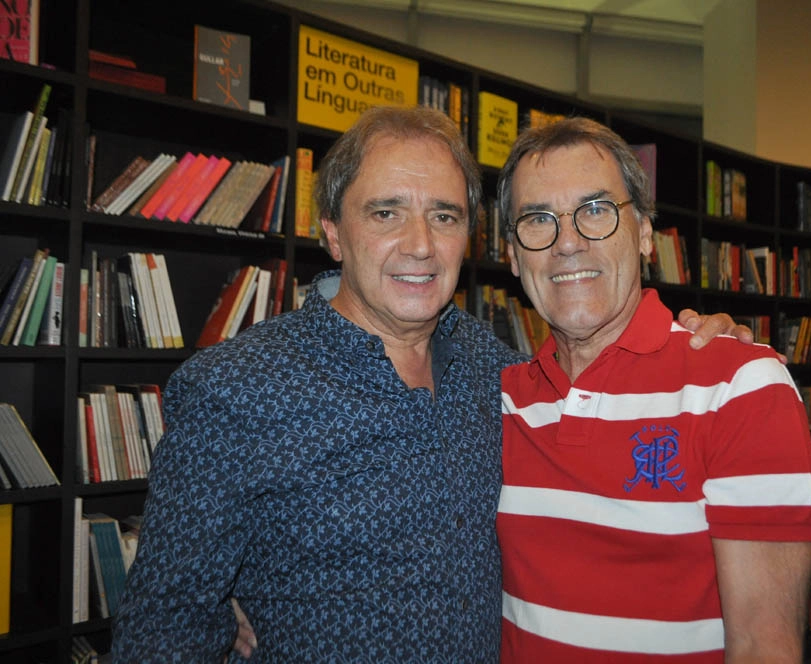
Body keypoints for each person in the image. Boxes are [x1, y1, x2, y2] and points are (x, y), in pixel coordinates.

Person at [112, 105, 755, 662]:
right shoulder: (236, 391)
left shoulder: (502, 374)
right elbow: (163, 629)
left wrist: (699, 345)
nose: (419, 244)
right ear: (333, 231)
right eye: (387, 212)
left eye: (444, 216)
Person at [494, 117, 811, 663]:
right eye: (537, 220)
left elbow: (764, 647)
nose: (568, 242)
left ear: (645, 234)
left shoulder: (741, 387)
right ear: (512, 254)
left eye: (596, 211)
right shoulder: (501, 399)